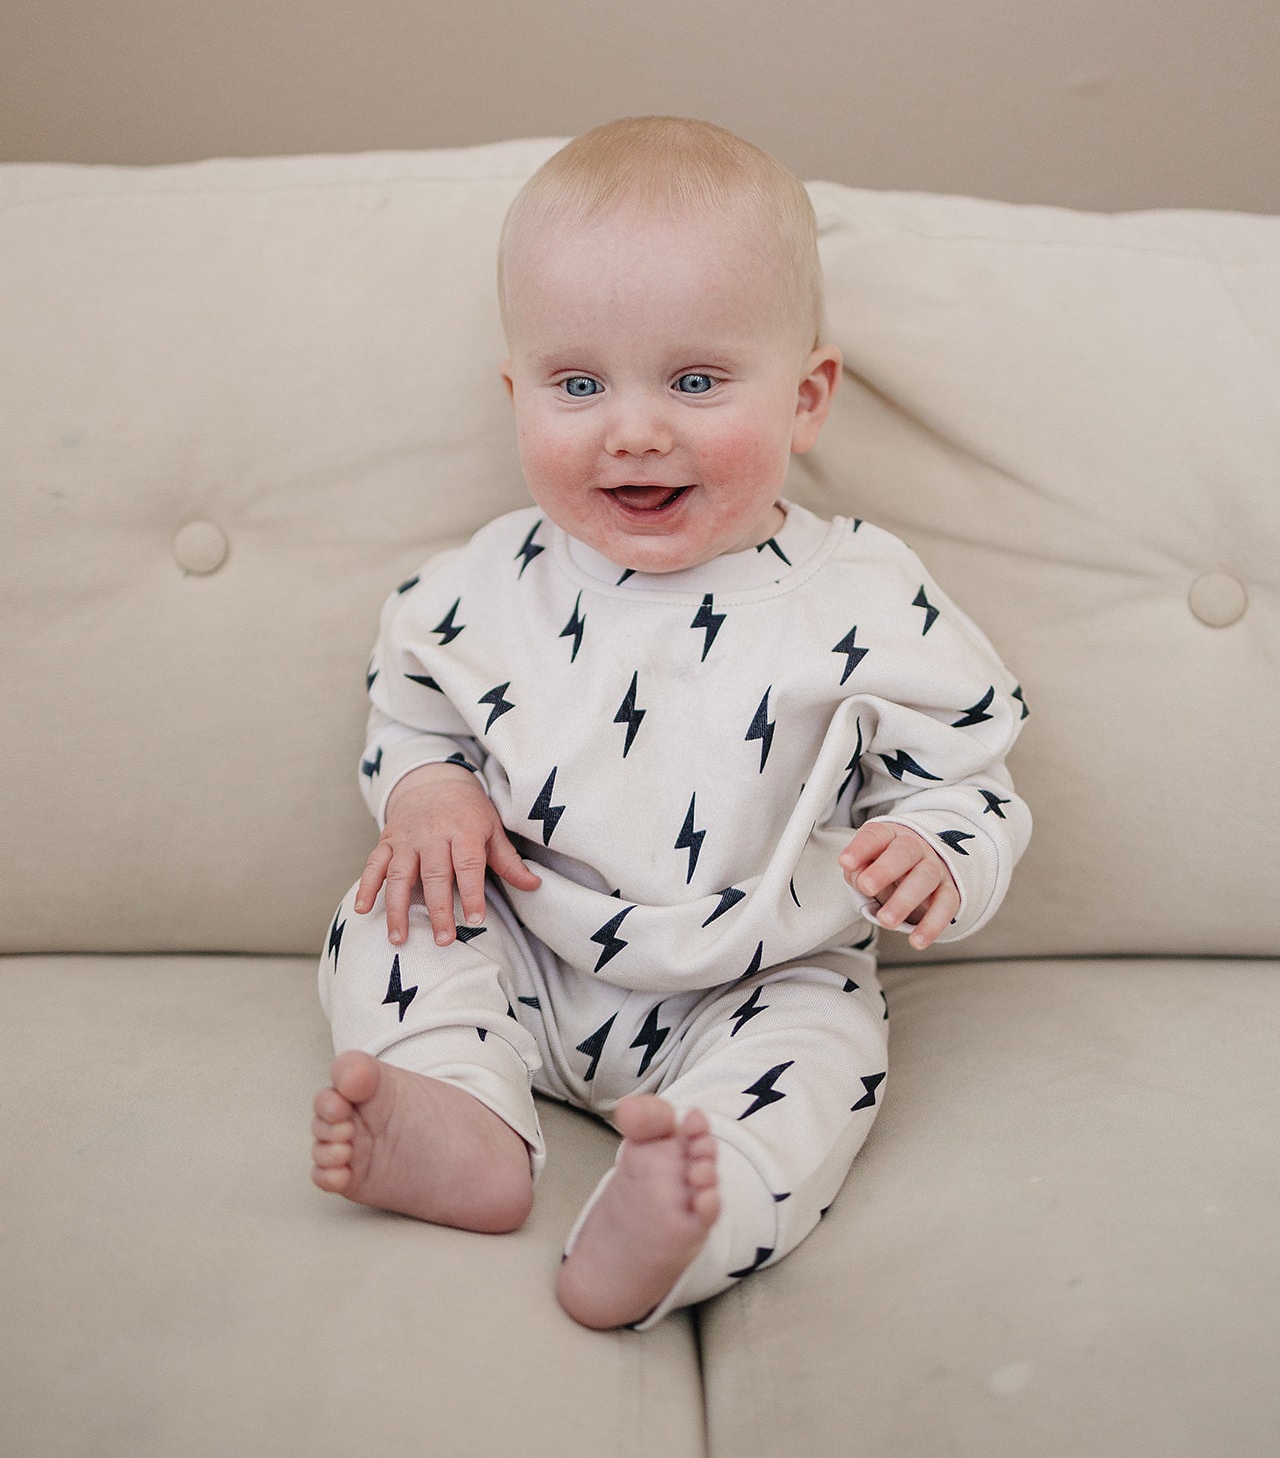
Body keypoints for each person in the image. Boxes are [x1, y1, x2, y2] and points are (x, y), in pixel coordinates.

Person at [309, 116, 1031, 1331]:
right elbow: (412, 713)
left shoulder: (866, 599)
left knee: (820, 1060)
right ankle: (459, 1111)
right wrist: (428, 793)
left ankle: (687, 1210)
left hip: (757, 972)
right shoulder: (482, 587)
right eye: (577, 385)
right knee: (390, 917)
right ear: (517, 396)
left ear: (804, 398)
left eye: (693, 383)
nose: (632, 429)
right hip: (528, 943)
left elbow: (968, 776)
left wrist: (938, 850)